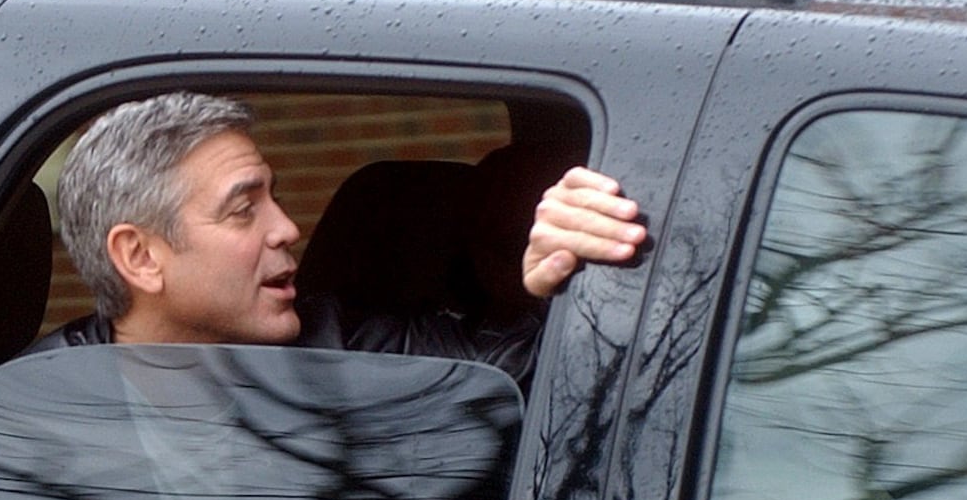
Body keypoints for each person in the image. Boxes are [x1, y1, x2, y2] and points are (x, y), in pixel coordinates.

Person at [41, 91, 646, 357]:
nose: (287, 228)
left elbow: (518, 378)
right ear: (141, 257)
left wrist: (548, 287)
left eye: (273, 197)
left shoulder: (346, 343)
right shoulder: (28, 411)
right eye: (243, 209)